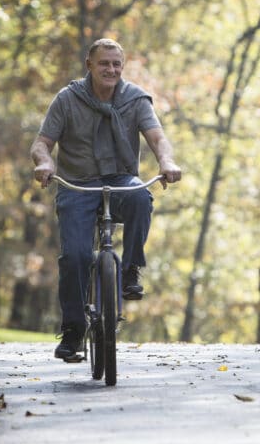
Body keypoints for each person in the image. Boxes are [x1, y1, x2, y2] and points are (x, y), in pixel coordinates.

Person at [31, 38, 182, 361]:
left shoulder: (135, 99)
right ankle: (72, 331)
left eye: (116, 64)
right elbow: (42, 143)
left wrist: (166, 162)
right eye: (104, 63)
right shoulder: (68, 99)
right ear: (89, 65)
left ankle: (130, 271)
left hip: (119, 179)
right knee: (74, 257)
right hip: (76, 185)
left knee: (141, 197)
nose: (110, 69)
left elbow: (158, 138)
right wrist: (45, 163)